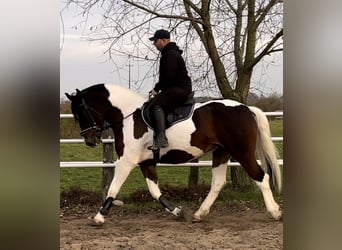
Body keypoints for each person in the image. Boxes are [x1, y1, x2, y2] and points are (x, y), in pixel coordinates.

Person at [148, 29, 192, 150]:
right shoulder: (171, 53)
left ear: (163, 40)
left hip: (179, 89)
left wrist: (156, 90)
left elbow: (168, 77)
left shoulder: (169, 55)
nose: (154, 44)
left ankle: (161, 139)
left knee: (155, 105)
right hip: (178, 87)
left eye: (155, 41)